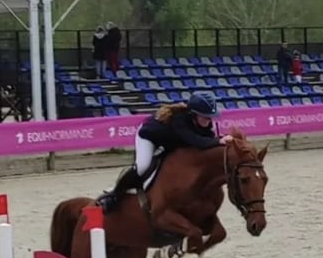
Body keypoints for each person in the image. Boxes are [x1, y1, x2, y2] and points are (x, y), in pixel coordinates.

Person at [98, 91, 233, 212]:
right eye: (205, 117)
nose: (209, 120)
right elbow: (195, 141)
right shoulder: (180, 120)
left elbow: (206, 142)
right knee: (142, 167)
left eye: (210, 117)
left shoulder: (203, 124)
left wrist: (222, 141)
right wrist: (218, 141)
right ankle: (115, 194)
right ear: (193, 114)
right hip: (149, 137)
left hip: (171, 141)